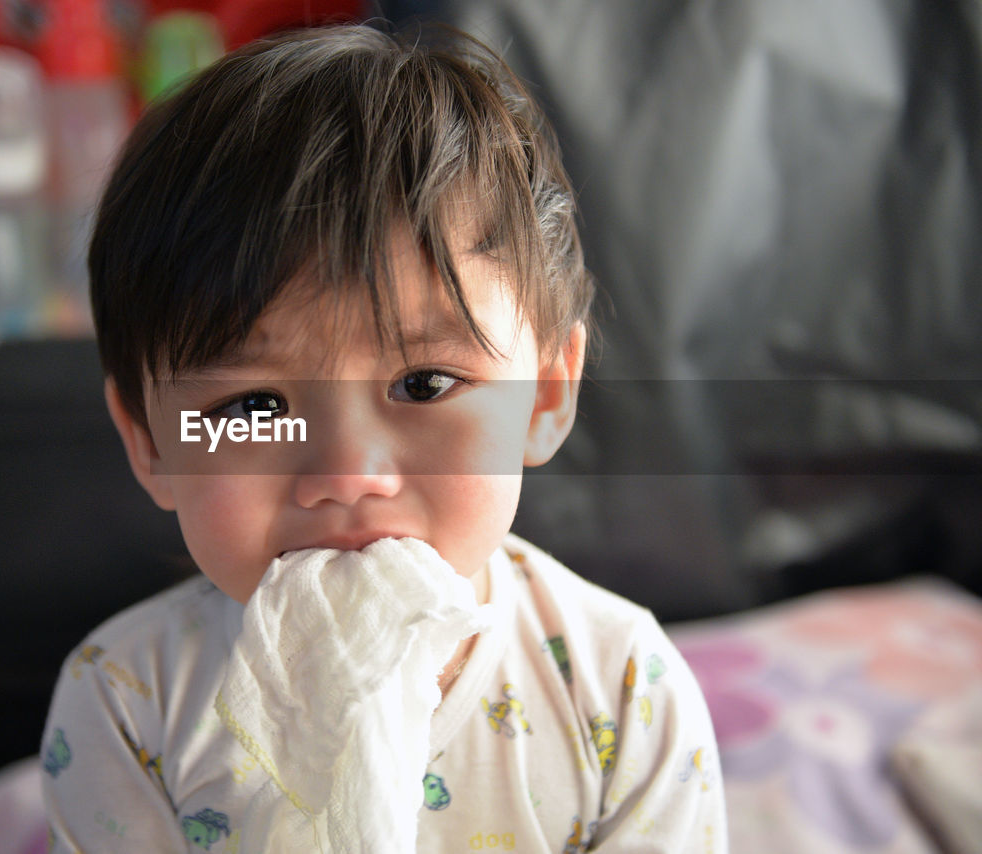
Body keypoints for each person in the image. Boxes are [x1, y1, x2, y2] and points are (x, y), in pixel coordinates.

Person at [40, 22, 727, 853]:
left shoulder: (621, 690)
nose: (347, 473)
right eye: (254, 406)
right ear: (152, 443)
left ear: (544, 395)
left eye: (425, 385)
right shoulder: (124, 702)